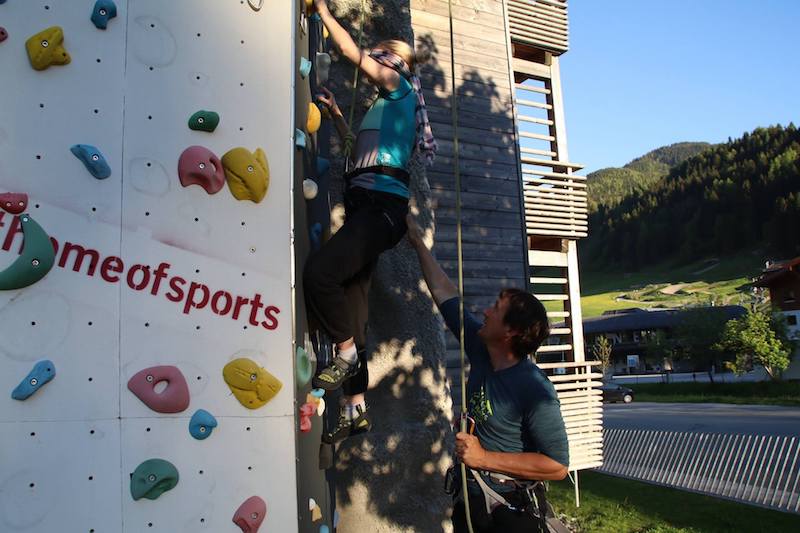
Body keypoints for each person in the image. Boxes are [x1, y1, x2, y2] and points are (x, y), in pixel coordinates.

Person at [304, 0, 437, 444]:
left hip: (380, 210)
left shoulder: (398, 87)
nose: (375, 57)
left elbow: (352, 55)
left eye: (382, 52)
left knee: (321, 274)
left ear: (394, 62)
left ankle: (341, 354)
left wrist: (322, 12)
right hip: (372, 210)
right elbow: (353, 157)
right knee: (354, 312)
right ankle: (354, 406)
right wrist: (341, 119)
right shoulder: (384, 110)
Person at [406, 216, 570, 533]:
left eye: (495, 308)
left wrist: (483, 458)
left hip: (508, 510)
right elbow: (445, 293)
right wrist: (417, 243)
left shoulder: (534, 388)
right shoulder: (482, 350)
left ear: (510, 332)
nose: (485, 311)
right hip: (473, 500)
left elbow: (557, 465)